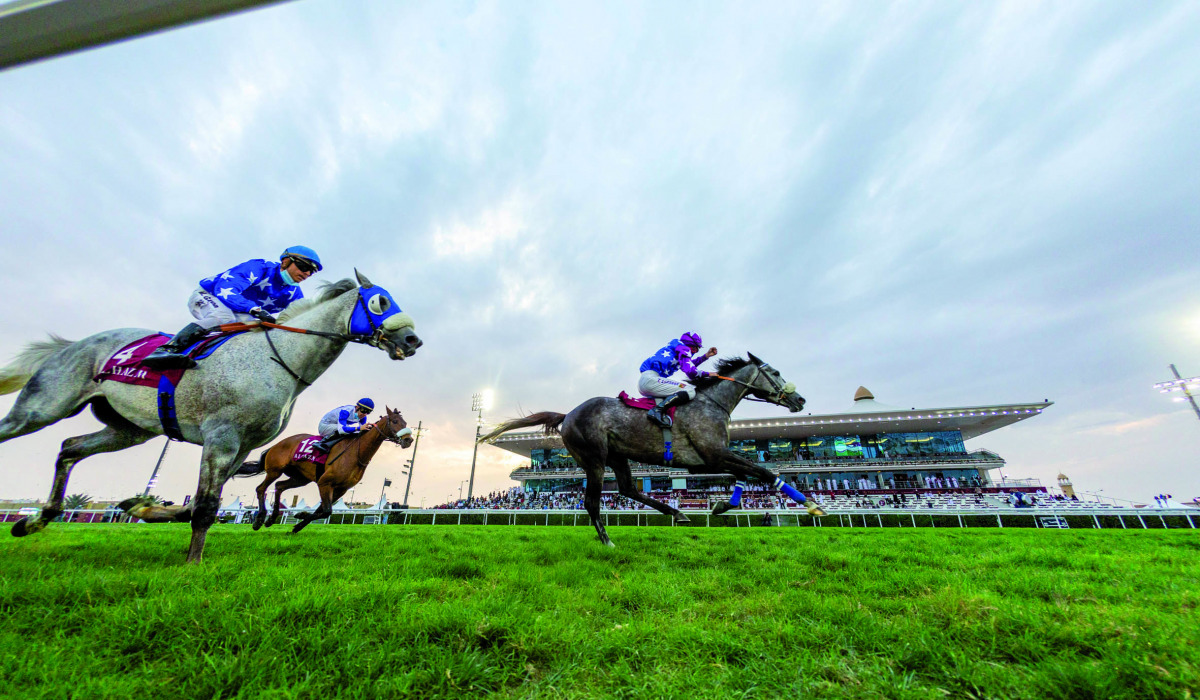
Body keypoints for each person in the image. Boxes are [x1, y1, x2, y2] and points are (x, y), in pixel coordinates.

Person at [143, 246, 323, 370]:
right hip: (209, 294)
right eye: (303, 266)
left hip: (239, 311)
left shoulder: (294, 294)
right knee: (224, 317)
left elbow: (300, 319)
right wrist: (256, 310)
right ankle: (166, 350)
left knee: (260, 332)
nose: (307, 273)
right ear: (285, 261)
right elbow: (225, 291)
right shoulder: (258, 268)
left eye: (311, 271)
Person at [638, 332, 718, 427]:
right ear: (689, 344)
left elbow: (688, 364)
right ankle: (656, 411)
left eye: (697, 350)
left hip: (648, 380)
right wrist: (708, 374)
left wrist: (705, 356)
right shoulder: (684, 349)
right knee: (690, 390)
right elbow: (691, 372)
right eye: (695, 348)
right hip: (651, 380)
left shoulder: (677, 348)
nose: (695, 352)